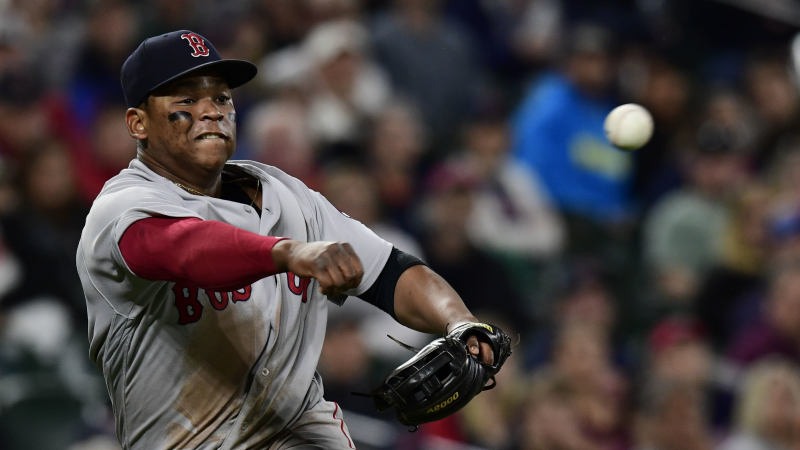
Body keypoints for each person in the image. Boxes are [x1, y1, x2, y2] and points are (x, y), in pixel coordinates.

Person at [76, 30, 499, 449]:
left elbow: (391, 272)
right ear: (138, 123)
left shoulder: (287, 195)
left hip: (304, 435)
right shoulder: (122, 207)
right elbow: (185, 248)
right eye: (185, 100)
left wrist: (459, 322)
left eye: (221, 98)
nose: (211, 111)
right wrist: (289, 252)